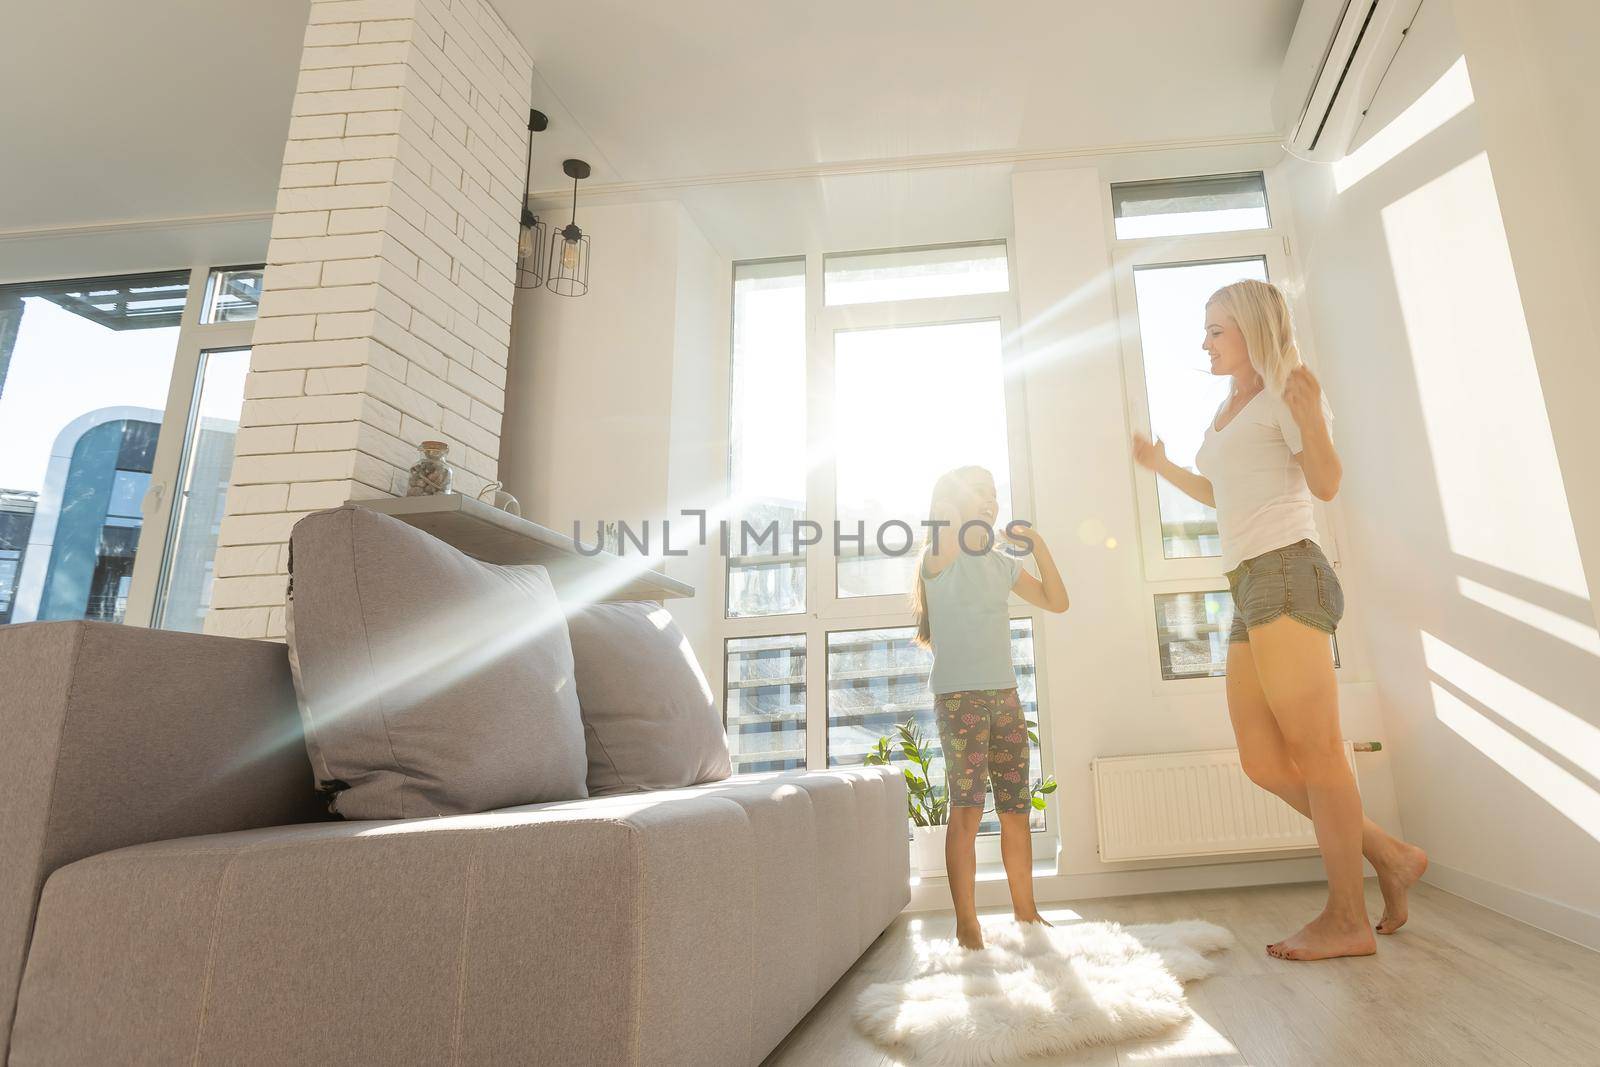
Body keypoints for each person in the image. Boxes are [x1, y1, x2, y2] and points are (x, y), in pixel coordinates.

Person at [1132, 278, 1427, 961]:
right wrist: (1163, 465)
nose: (1204, 342)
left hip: (1289, 571)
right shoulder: (1229, 408)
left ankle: (1346, 917)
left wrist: (1315, 421)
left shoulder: (1289, 390)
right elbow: (1222, 492)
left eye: (1216, 330)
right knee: (1263, 760)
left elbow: (1325, 483)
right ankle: (1388, 853)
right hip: (1250, 584)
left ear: (1252, 331)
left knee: (1319, 751)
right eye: (1205, 329)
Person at [909, 465, 1069, 950]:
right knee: (968, 810)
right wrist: (958, 507)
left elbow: (1056, 602)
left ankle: (1028, 914)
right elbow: (947, 528)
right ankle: (967, 925)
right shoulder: (940, 558)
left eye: (993, 496)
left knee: (1016, 809)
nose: (991, 502)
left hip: (1004, 697)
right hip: (961, 700)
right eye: (980, 495)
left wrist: (1037, 547)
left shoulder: (1002, 564)